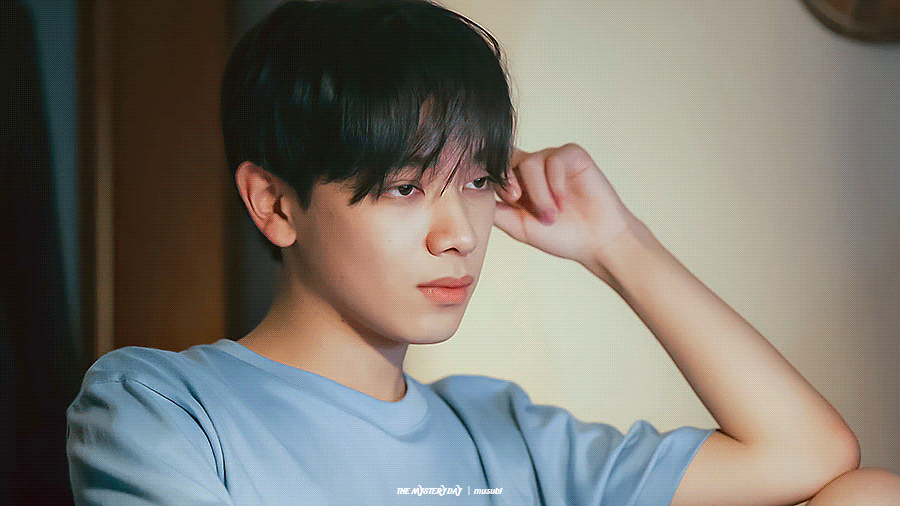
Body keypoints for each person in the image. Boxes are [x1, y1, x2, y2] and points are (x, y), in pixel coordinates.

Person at [66, 1, 900, 504]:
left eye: (477, 181)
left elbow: (809, 454)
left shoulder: (499, 433)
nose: (460, 233)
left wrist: (616, 243)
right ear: (276, 204)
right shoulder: (162, 407)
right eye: (404, 187)